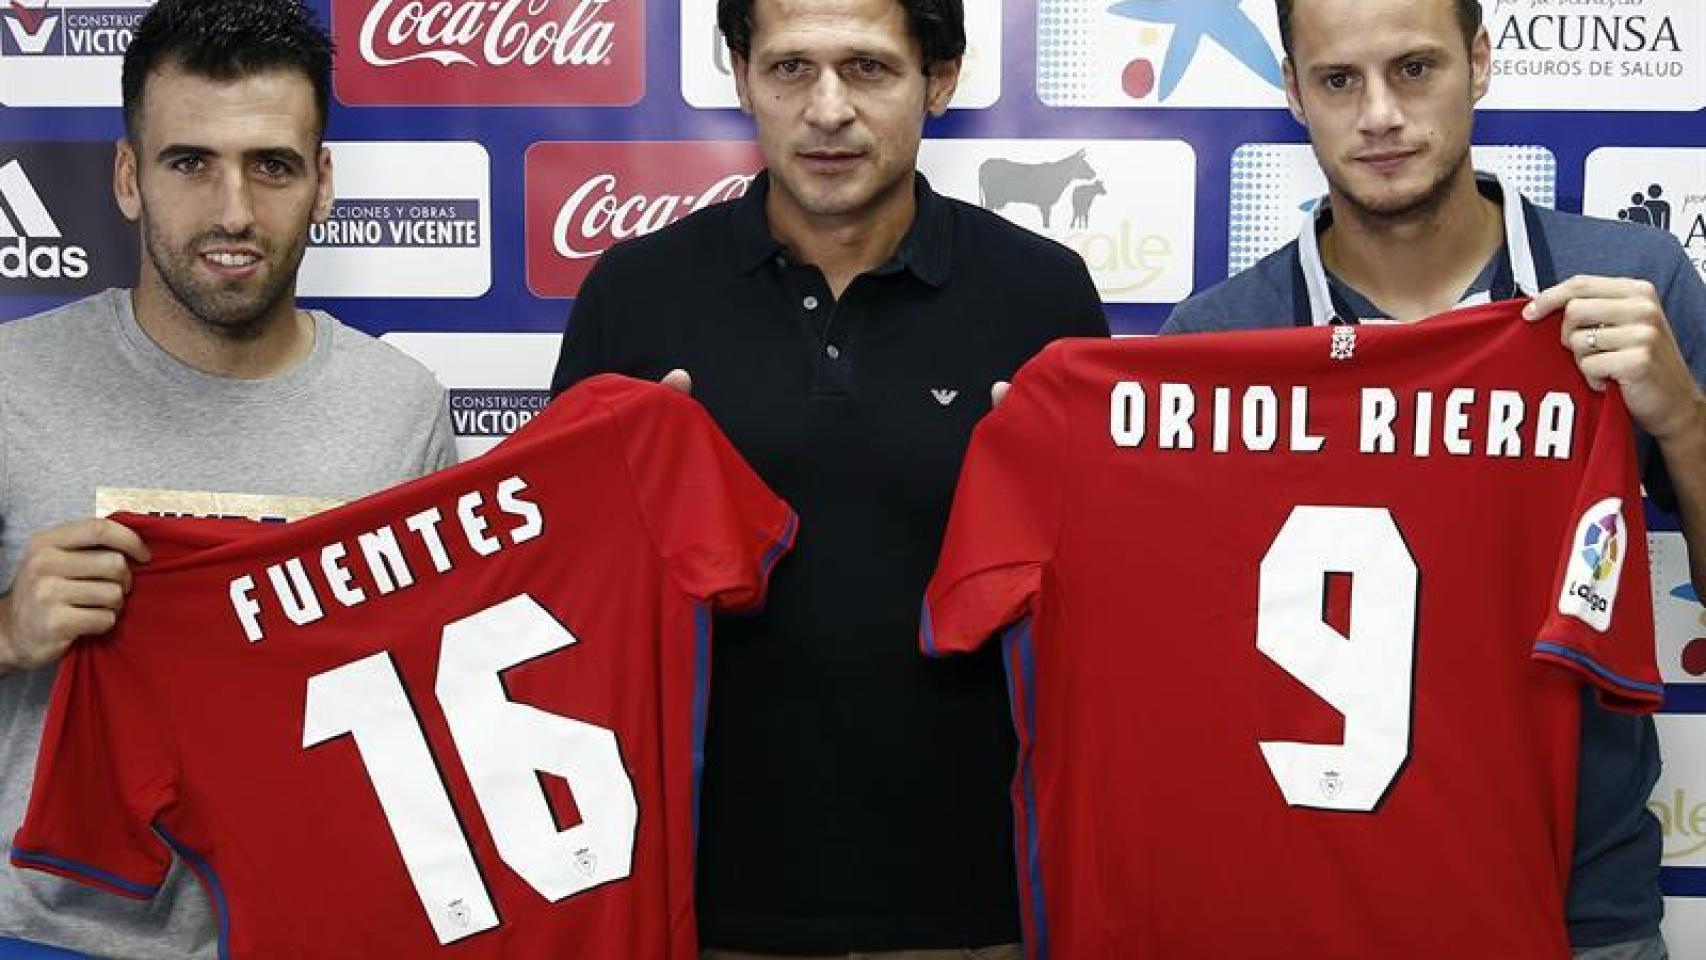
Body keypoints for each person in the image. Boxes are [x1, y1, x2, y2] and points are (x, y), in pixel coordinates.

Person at [549, 0, 1108, 954]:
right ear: (740, 75)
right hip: (699, 906)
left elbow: (1103, 609)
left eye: (869, 69)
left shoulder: (1041, 293)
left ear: (940, 77)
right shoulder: (632, 295)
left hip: (974, 908)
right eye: (791, 69)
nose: (827, 109)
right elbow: (561, 603)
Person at [1163, 1, 1706, 956]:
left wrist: (1684, 421)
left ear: (1481, 63)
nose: (1379, 114)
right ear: (1292, 91)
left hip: (1576, 910)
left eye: (1414, 68)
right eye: (1339, 81)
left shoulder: (1631, 281)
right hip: (1305, 899)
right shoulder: (1218, 342)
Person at [0, 1, 456, 956]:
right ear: (128, 177)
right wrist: (7, 629)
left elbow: (443, 698)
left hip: (319, 928)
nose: (234, 211)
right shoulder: (10, 383)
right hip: (50, 937)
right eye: (190, 162)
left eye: (272, 165)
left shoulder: (403, 407)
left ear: (323, 182)